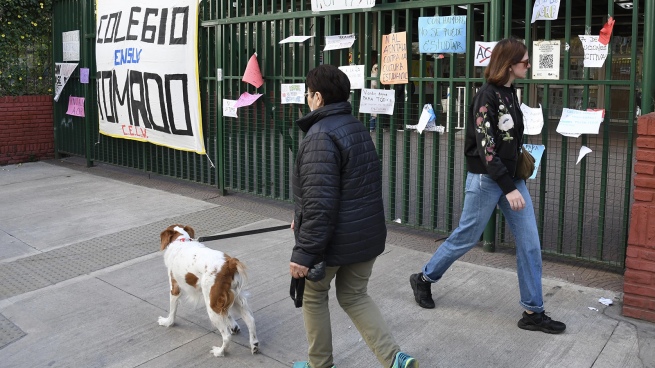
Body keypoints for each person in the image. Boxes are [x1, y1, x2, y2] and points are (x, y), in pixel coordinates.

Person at [409, 38, 566, 334]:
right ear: (509, 65)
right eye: (525, 62)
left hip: (510, 179)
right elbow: (487, 148)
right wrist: (509, 187)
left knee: (530, 243)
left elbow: (509, 139)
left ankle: (533, 311)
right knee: (466, 237)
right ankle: (424, 278)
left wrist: (515, 175)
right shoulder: (486, 96)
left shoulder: (510, 93)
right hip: (487, 180)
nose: (529, 66)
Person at [289, 64, 418, 368]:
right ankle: (395, 358)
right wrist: (302, 215)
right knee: (355, 295)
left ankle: (319, 364)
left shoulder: (320, 135)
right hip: (365, 235)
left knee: (313, 295)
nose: (308, 99)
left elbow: (321, 203)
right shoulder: (356, 127)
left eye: (309, 94)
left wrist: (304, 252)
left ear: (318, 97)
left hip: (334, 242)